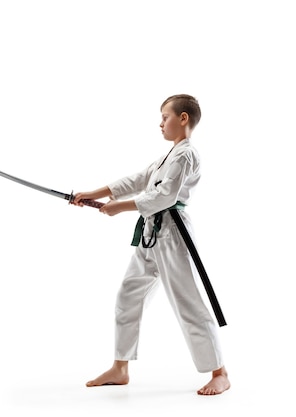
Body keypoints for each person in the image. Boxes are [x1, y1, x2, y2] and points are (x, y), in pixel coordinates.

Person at [72, 94, 230, 395]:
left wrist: (118, 207)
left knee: (188, 303)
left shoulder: (186, 155)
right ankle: (120, 367)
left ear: (183, 119)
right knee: (128, 296)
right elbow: (140, 179)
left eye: (165, 117)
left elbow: (164, 196)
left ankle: (220, 372)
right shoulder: (168, 156)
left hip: (173, 236)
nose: (161, 123)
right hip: (150, 235)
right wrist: (94, 192)